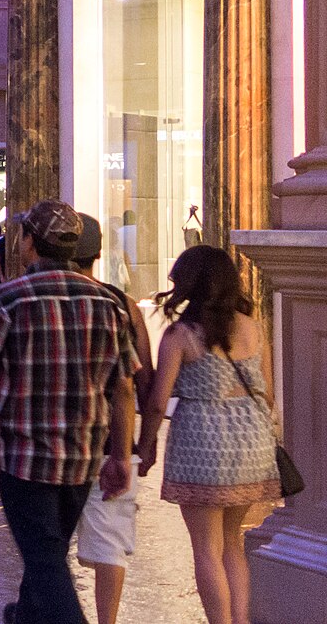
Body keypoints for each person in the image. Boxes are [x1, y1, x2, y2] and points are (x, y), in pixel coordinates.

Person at [0, 200, 139, 624]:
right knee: (46, 557)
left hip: (25, 459)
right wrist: (121, 456)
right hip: (82, 458)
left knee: (47, 563)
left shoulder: (8, 299)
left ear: (29, 241)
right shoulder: (108, 303)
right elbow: (123, 387)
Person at [135, 243, 284, 624]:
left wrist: (146, 446)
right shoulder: (253, 327)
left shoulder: (181, 336)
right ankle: (240, 620)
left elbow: (156, 402)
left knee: (205, 548)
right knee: (232, 543)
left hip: (201, 444)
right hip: (251, 443)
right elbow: (267, 393)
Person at [72, 221, 153, 624]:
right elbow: (144, 379)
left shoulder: (45, 298)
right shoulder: (124, 305)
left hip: (56, 441)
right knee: (111, 543)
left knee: (46, 546)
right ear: (98, 254)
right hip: (113, 441)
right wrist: (146, 441)